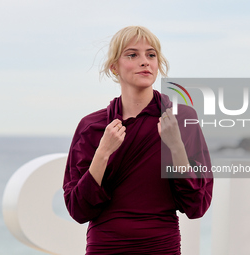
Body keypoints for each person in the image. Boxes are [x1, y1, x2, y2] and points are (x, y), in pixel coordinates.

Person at [63, 26, 213, 254]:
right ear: (115, 67)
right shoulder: (91, 127)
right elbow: (78, 209)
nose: (145, 62)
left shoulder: (182, 119)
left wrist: (176, 146)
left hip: (162, 247)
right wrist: (103, 152)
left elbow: (196, 205)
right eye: (132, 55)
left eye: (151, 55)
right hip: (105, 247)